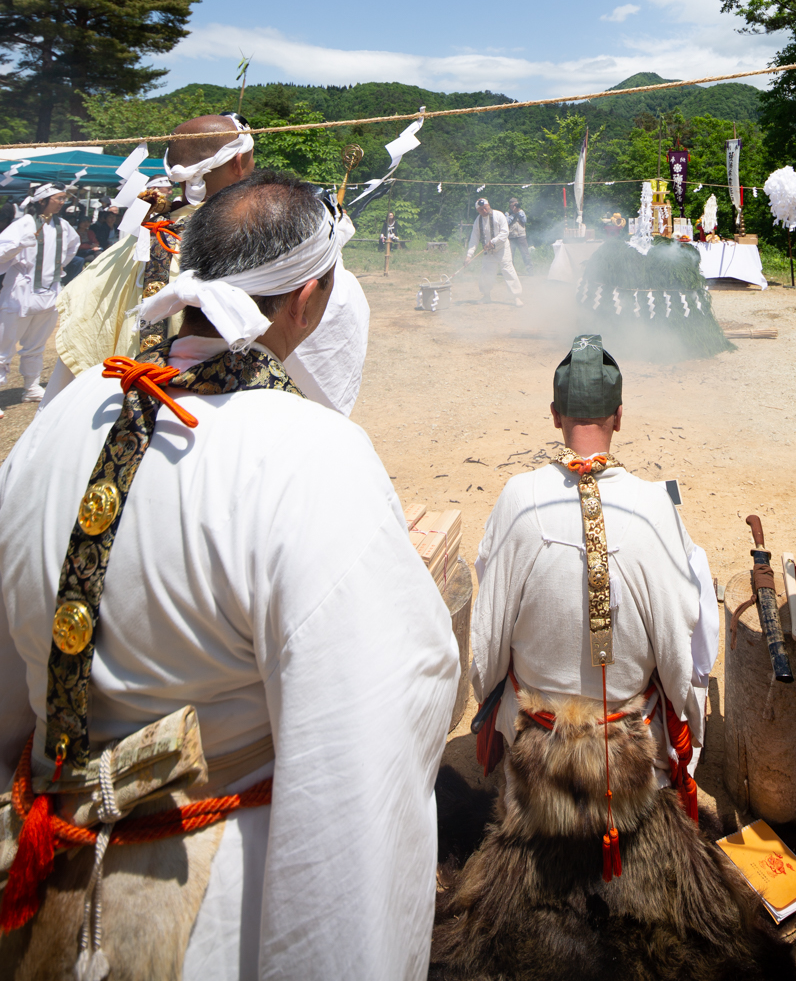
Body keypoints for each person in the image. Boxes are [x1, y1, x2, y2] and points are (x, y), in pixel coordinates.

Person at [0, 171, 458, 976]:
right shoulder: (311, 455)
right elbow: (362, 749)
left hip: (29, 871)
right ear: (309, 301)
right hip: (210, 909)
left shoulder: (63, 417)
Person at [470, 334, 717, 792]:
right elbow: (684, 654)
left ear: (555, 414)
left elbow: (487, 643)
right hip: (627, 756)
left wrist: (490, 699)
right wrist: (686, 712)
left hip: (536, 750)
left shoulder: (518, 498)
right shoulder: (654, 506)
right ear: (619, 417)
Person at [49, 113, 371, 418]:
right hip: (219, 416)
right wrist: (325, 242)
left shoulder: (126, 248)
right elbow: (323, 336)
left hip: (116, 409)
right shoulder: (259, 247)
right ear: (238, 162)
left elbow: (74, 360)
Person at [0, 185, 80, 407]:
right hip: (20, 294)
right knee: (3, 345)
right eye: (58, 198)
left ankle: (31, 387)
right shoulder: (23, 225)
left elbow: (72, 248)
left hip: (49, 292)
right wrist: (17, 247)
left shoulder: (63, 226)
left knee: (36, 344)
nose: (62, 201)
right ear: (42, 200)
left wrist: (54, 272)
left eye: (64, 198)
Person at [465, 197, 523, 306]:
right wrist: (469, 256)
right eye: (481, 209)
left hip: (502, 249)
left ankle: (516, 297)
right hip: (488, 251)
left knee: (508, 271)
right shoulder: (478, 221)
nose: (484, 211)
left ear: (489, 205)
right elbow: (474, 239)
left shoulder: (499, 215)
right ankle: (486, 296)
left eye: (485, 208)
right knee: (486, 273)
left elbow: (505, 233)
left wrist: (493, 241)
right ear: (478, 210)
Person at [507, 196, 533, 272]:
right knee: (510, 255)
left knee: (525, 253)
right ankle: (511, 271)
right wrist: (513, 214)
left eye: (516, 205)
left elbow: (524, 220)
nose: (515, 206)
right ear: (510, 206)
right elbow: (507, 222)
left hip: (521, 236)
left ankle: (530, 270)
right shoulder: (507, 213)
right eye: (513, 205)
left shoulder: (521, 212)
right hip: (511, 236)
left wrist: (517, 212)